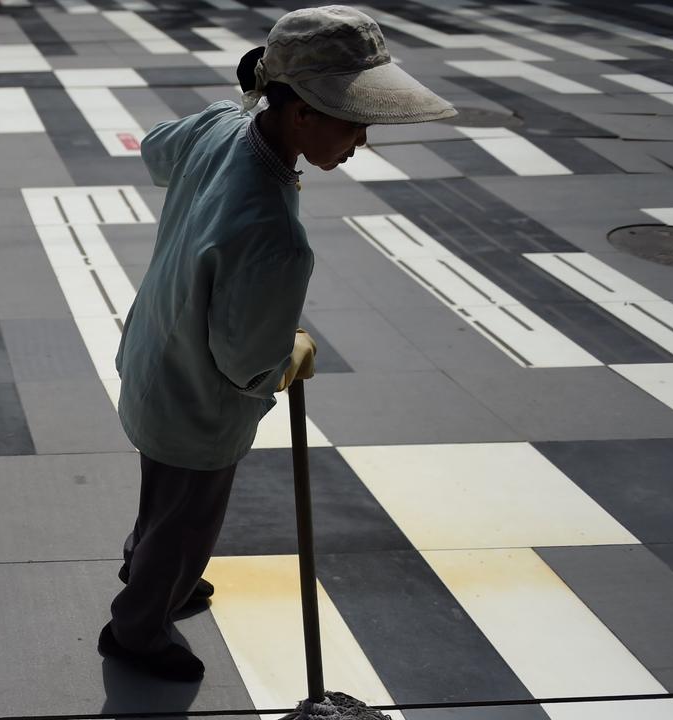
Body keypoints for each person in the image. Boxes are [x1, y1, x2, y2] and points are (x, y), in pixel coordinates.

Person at [97, 6, 457, 682]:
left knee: (161, 492)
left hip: (154, 356)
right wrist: (289, 354)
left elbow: (155, 148)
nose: (359, 142)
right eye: (352, 123)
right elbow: (245, 364)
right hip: (200, 401)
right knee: (191, 516)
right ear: (301, 115)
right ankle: (140, 626)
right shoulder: (275, 237)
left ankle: (153, 568)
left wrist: (239, 103)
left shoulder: (221, 127)